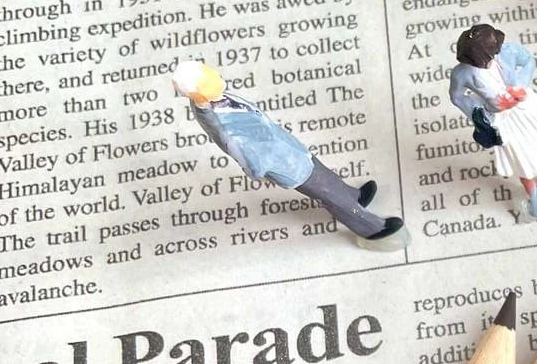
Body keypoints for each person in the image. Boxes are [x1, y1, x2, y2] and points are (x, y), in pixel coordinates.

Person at [172, 60, 407, 250]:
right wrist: (268, 167)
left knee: (327, 177)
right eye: (208, 78)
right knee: (329, 194)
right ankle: (371, 228)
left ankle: (354, 195)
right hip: (286, 164)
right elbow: (248, 159)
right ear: (198, 91)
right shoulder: (221, 124)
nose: (215, 75)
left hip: (290, 148)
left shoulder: (218, 98)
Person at [447, 23, 537, 223]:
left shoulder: (508, 51)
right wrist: (480, 112)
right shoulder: (462, 73)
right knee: (522, 159)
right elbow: (457, 97)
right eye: (479, 62)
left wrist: (519, 86)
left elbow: (529, 61)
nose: (485, 64)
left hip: (527, 108)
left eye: (487, 59)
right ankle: (534, 195)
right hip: (502, 120)